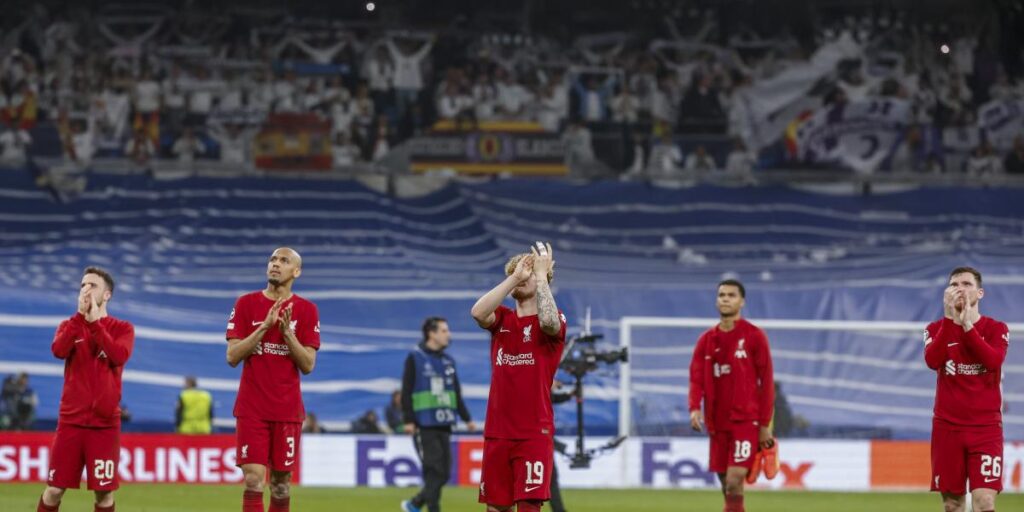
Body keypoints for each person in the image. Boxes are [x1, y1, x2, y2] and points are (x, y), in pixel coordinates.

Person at [470, 242, 567, 512]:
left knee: (528, 507)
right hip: (497, 432)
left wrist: (541, 277)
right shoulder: (502, 319)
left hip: (533, 433)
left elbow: (549, 323)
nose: (523, 275)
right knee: (495, 508)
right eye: (517, 272)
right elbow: (477, 313)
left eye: (529, 273)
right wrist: (514, 278)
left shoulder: (554, 320)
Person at [226, 247, 321, 512]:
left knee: (280, 485)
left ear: (296, 271)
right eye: (272, 259)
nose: (275, 264)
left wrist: (288, 334)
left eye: (284, 260)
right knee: (253, 480)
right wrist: (265, 327)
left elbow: (308, 365)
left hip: (287, 410)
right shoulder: (245, 304)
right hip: (252, 408)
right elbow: (232, 356)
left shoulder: (307, 310)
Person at [39, 267, 135, 512]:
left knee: (104, 493)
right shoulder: (69, 325)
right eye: (83, 285)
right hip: (70, 423)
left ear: (107, 295)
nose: (85, 290)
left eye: (92, 285)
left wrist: (94, 325)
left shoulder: (122, 328)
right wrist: (80, 318)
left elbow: (118, 356)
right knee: (54, 490)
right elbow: (58, 351)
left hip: (104, 426)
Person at [924, 267, 1009, 512]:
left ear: (980, 293)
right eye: (954, 284)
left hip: (986, 429)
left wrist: (967, 326)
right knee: (952, 505)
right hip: (947, 429)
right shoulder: (935, 328)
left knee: (985, 502)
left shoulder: (997, 329)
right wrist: (949, 321)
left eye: (966, 284)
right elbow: (932, 361)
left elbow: (992, 361)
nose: (959, 289)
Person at [688, 279, 775, 512]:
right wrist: (694, 407)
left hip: (746, 420)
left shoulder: (754, 336)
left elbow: (766, 382)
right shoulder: (706, 340)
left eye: (731, 295)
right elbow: (696, 378)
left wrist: (764, 425)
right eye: (722, 295)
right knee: (727, 485)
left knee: (735, 480)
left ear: (742, 302)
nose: (725, 299)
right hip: (717, 422)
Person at [400, 316, 476, 512]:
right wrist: (408, 420)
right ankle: (428, 507)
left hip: (445, 423)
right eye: (444, 331)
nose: (448, 334)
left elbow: (456, 393)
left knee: (444, 473)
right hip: (423, 424)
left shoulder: (448, 361)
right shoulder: (415, 357)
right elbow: (406, 391)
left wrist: (467, 418)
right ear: (431, 334)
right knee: (434, 470)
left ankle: (415, 503)